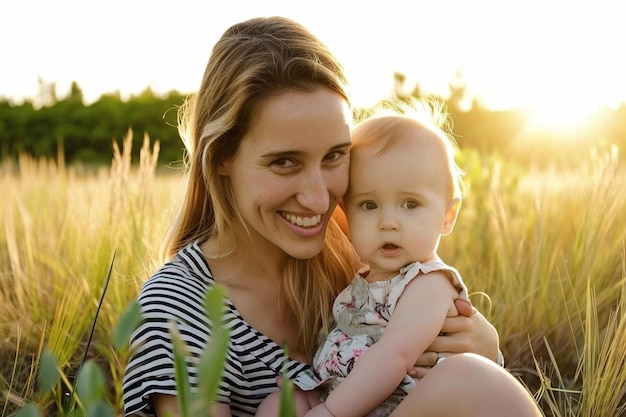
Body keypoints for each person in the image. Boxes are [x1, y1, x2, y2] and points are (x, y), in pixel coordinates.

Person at [122, 15, 541, 417]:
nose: (320, 199)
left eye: (334, 156)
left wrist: (485, 349)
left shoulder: (358, 251)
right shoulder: (179, 308)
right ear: (221, 159)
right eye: (285, 162)